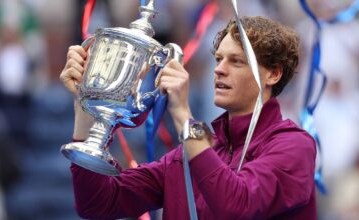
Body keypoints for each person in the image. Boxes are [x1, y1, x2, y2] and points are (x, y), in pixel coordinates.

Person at [60, 16, 316, 219]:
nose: (219, 69)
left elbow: (235, 206)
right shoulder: (192, 151)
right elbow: (97, 204)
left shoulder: (294, 146)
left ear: (273, 74)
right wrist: (86, 107)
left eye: (236, 61)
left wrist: (183, 116)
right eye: (218, 59)